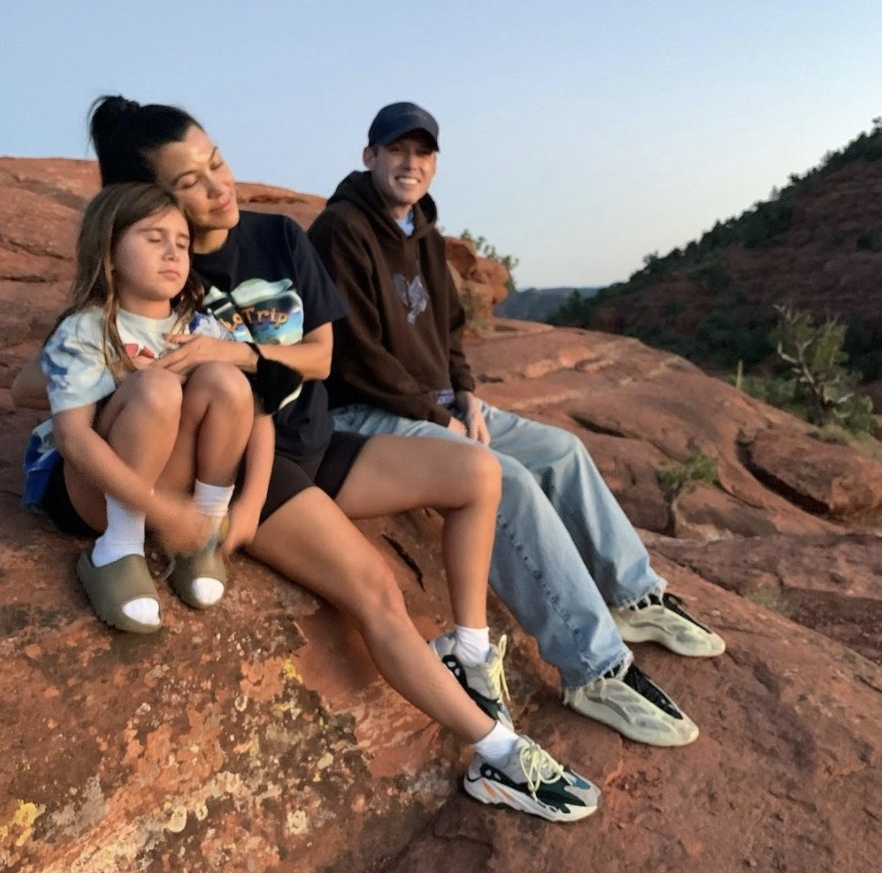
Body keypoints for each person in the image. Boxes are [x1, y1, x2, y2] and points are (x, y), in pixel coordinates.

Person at [13, 96, 600, 822]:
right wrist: (138, 382)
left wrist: (236, 359)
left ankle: (483, 694)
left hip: (295, 449)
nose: (218, 187)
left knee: (461, 494)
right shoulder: (146, 278)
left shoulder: (263, 249)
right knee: (369, 586)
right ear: (145, 204)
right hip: (227, 463)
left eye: (217, 161)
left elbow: (315, 360)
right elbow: (37, 381)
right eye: (189, 183)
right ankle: (500, 754)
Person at [308, 101, 727, 749]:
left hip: (441, 404)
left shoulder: (422, 231)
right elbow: (356, 356)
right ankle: (592, 667)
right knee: (501, 480)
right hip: (371, 411)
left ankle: (633, 595)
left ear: (434, 164)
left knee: (561, 451)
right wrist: (439, 416)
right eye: (396, 151)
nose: (409, 163)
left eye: (421, 154)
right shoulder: (340, 231)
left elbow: (449, 334)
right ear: (370, 156)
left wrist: (467, 396)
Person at [21, 182, 272, 633]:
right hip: (94, 491)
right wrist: (166, 514)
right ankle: (117, 549)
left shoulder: (203, 326)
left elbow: (258, 415)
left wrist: (247, 506)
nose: (173, 254)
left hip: (173, 492)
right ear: (110, 252)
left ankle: (201, 540)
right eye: (154, 239)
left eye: (182, 243)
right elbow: (71, 437)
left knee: (226, 379)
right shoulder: (88, 328)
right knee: (156, 388)